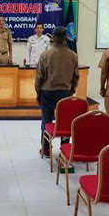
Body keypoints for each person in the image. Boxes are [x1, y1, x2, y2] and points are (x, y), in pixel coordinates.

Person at [35, 27, 79, 158]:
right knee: (65, 121)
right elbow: (76, 76)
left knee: (47, 120)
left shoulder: (45, 55)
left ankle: (46, 149)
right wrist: (72, 89)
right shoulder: (73, 55)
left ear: (53, 39)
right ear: (66, 38)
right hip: (66, 92)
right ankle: (64, 148)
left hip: (47, 92)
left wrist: (38, 92)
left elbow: (39, 77)